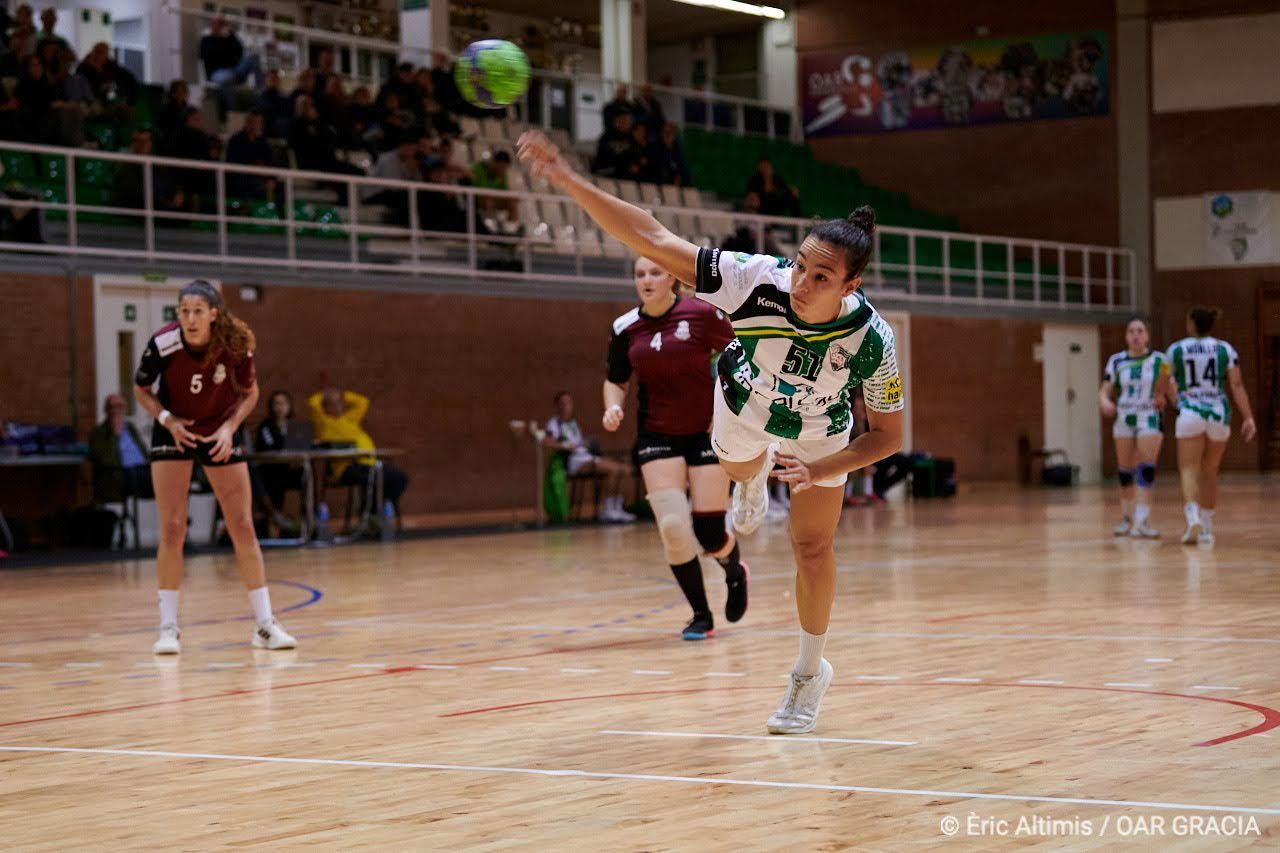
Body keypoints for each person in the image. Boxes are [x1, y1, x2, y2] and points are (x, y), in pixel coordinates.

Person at [518, 130, 905, 734]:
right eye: (800, 265)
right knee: (738, 470)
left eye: (821, 277)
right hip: (744, 404)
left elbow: (887, 436)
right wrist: (566, 178)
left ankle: (808, 672)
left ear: (851, 287)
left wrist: (822, 470)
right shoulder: (754, 280)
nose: (801, 283)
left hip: (821, 435)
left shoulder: (873, 340)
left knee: (812, 548)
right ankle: (750, 479)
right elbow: (651, 235)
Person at [132, 280, 296, 654]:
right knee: (173, 526)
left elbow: (251, 393)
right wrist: (168, 420)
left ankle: (265, 626)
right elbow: (141, 389)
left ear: (213, 315)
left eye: (198, 312)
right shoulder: (163, 344)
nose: (190, 319)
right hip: (175, 432)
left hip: (219, 430)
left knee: (241, 524)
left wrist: (230, 428)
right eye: (184, 311)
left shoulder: (234, 344)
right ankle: (168, 628)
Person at [605, 256, 747, 639]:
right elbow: (616, 379)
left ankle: (734, 572)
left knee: (710, 533)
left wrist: (727, 409)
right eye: (639, 274)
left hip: (704, 431)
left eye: (654, 272)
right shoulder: (625, 327)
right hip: (656, 434)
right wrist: (613, 405)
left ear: (671, 277)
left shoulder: (701, 314)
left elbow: (739, 354)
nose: (646, 280)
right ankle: (700, 615)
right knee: (671, 525)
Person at [1166, 306, 1257, 545]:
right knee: (1210, 470)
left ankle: (1192, 516)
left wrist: (1175, 400)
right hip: (1219, 412)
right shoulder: (1225, 349)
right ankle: (1207, 528)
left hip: (1190, 411)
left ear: (1191, 324)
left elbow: (1164, 380)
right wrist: (1248, 416)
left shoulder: (1176, 349)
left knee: (1188, 469)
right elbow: (1236, 386)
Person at [1099, 318, 1171, 538]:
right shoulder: (1116, 361)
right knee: (1125, 472)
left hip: (1149, 417)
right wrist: (1104, 401)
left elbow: (1170, 386)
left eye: (1140, 331)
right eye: (1131, 331)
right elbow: (1105, 390)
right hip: (1124, 417)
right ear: (1126, 336)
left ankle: (1143, 520)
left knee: (1145, 469)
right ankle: (1127, 518)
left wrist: (1168, 399)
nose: (1135, 335)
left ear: (1147, 336)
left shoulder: (1160, 360)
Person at [307, 387, 409, 515]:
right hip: (347, 468)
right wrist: (324, 394)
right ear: (325, 407)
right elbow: (312, 403)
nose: (338, 406)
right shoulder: (323, 422)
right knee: (377, 478)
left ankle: (375, 508)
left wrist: (343, 395)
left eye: (340, 403)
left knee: (399, 478)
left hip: (368, 462)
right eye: (333, 403)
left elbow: (363, 402)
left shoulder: (350, 419)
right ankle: (372, 511)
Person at [545, 391, 636, 523]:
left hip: (586, 457)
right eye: (563, 403)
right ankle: (608, 509)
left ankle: (616, 506)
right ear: (557, 406)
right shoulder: (554, 423)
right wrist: (566, 446)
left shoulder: (573, 424)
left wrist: (585, 443)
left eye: (569, 403)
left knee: (623, 469)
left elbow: (579, 443)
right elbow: (547, 442)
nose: (566, 406)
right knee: (612, 470)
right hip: (573, 462)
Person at [253, 390, 305, 529]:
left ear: (289, 406)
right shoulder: (266, 426)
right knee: (273, 477)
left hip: (289, 469)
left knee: (307, 474)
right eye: (277, 403)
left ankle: (309, 517)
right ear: (272, 406)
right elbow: (270, 448)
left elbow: (301, 448)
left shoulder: (296, 427)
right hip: (270, 470)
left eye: (284, 403)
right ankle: (272, 516)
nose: (280, 407)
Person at [88, 393, 152, 504]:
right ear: (106, 411)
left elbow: (144, 453)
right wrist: (115, 435)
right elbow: (107, 459)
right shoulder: (98, 432)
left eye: (120, 407)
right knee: (158, 481)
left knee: (169, 473)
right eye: (112, 407)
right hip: (122, 474)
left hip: (142, 469)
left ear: (125, 410)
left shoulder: (130, 429)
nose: (116, 411)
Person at [199, 15, 262, 113]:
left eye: (222, 24)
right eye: (218, 23)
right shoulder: (206, 40)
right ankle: (233, 111)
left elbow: (240, 51)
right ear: (212, 25)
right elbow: (207, 56)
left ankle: (260, 92)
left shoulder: (228, 39)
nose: (220, 26)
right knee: (226, 77)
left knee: (254, 57)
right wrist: (222, 50)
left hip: (234, 71)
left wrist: (231, 34)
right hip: (217, 73)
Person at [225, 109, 276, 201]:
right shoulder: (236, 141)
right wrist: (255, 168)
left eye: (260, 123)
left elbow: (270, 163)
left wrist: (270, 178)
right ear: (248, 122)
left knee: (278, 186)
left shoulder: (264, 143)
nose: (258, 126)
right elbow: (232, 163)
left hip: (261, 178)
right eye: (255, 122)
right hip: (242, 178)